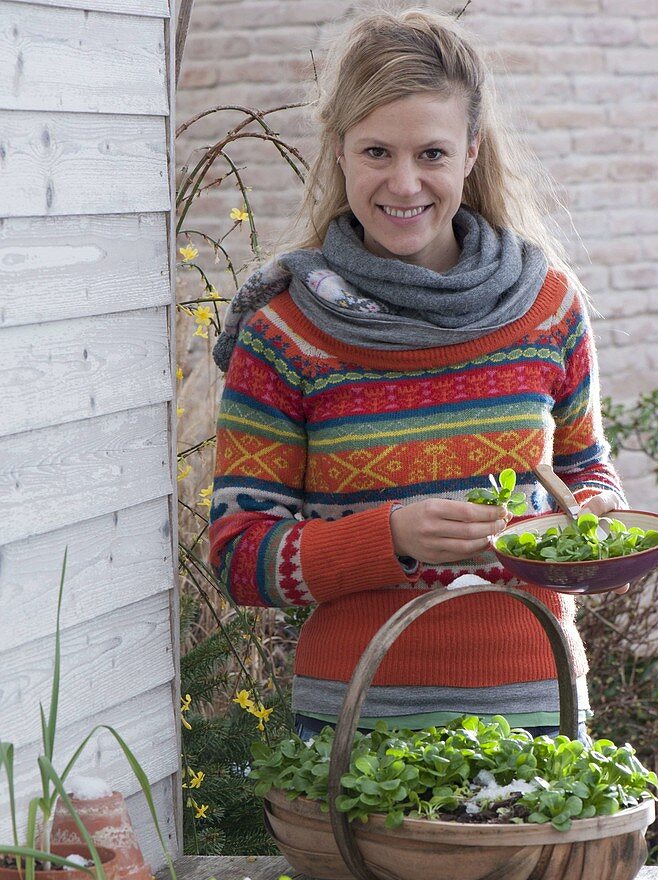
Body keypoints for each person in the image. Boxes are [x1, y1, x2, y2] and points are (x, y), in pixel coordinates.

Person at [209, 8, 627, 746]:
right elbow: (239, 555)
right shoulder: (284, 333)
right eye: (377, 151)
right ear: (339, 151)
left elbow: (588, 475)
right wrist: (391, 535)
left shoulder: (547, 306)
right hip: (354, 727)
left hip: (541, 709)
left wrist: (575, 532)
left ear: (470, 152)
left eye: (431, 153)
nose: (405, 184)